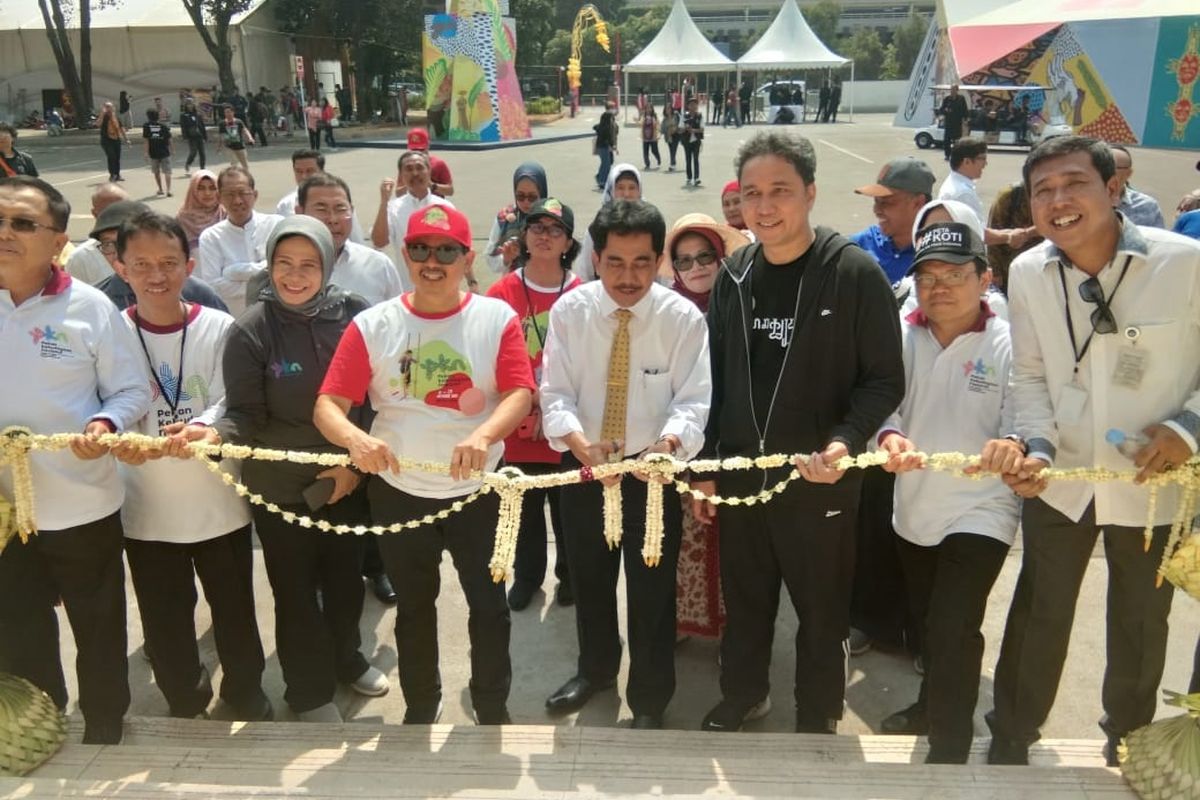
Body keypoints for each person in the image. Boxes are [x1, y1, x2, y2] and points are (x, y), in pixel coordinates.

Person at [981, 136, 1200, 767]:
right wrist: (1038, 449)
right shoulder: (1026, 271)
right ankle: (1012, 732)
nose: (1058, 200)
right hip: (1063, 472)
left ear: (1113, 190)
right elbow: (1027, 374)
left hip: (1152, 476)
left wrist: (1186, 429)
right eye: (1042, 191)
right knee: (1039, 608)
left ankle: (1125, 737)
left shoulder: (1182, 263)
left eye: (1074, 183)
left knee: (1139, 616)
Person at [693, 132, 904, 734]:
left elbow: (884, 381)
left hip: (821, 483)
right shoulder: (733, 276)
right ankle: (744, 694)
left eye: (780, 191)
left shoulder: (853, 274)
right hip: (743, 483)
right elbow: (715, 383)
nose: (765, 206)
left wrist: (845, 439)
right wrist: (709, 464)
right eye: (753, 193)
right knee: (748, 601)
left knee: (821, 611)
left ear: (810, 193)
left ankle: (819, 713)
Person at [314, 204, 536, 726]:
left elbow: (519, 393)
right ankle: (421, 703)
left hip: (477, 491)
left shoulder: (495, 318)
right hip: (398, 489)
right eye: (419, 249)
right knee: (414, 608)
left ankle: (490, 704)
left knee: (489, 606)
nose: (432, 262)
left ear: (465, 258)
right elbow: (328, 404)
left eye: (446, 251)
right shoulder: (373, 324)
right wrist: (354, 440)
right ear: (405, 253)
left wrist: (484, 434)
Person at [540, 199, 711, 729]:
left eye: (642, 262)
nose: (628, 276)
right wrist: (578, 444)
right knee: (589, 582)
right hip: (587, 468)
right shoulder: (571, 311)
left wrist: (665, 447)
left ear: (660, 260)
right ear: (595, 258)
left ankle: (651, 699)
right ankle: (594, 671)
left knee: (651, 593)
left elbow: (693, 401)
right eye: (615, 261)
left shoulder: (682, 319)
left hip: (651, 476)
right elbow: (555, 394)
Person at [218, 216, 390, 723]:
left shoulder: (355, 315)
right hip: (281, 491)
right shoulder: (250, 330)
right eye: (284, 265)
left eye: (308, 265)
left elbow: (372, 400)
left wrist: (354, 470)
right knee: (294, 592)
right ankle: (308, 691)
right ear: (269, 266)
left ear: (327, 264)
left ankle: (347, 659)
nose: (295, 277)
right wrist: (214, 437)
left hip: (347, 478)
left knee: (345, 582)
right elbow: (243, 415)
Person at [0, 175, 151, 745]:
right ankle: (39, 721)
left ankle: (106, 724)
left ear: (59, 241)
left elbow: (131, 391)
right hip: (4, 514)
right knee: (17, 625)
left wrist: (106, 423)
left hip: (80, 500)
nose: (5, 233)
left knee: (98, 623)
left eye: (22, 224)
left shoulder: (89, 307)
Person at [107, 210, 270, 722]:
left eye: (169, 263)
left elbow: (234, 399)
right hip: (143, 509)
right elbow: (98, 402)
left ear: (189, 265)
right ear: (121, 268)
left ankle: (245, 693)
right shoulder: (108, 333)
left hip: (217, 503)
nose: (156, 276)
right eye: (142, 264)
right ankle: (184, 697)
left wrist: (204, 427)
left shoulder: (221, 327)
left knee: (235, 610)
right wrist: (118, 438)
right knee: (163, 618)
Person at [875, 220, 1019, 763]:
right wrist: (888, 434)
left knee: (956, 623)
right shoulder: (900, 333)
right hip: (913, 505)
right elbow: (878, 400)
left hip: (984, 508)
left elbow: (1024, 414)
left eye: (955, 274)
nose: (939, 287)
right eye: (927, 276)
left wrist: (1012, 442)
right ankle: (929, 702)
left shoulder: (1009, 341)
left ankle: (950, 744)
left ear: (984, 278)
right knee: (928, 621)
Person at [485, 198, 582, 610]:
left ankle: (569, 578)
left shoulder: (581, 293)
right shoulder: (501, 292)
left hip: (566, 429)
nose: (544, 236)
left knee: (568, 514)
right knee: (521, 513)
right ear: (523, 235)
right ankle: (527, 578)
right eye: (536, 227)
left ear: (568, 242)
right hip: (516, 428)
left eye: (555, 229)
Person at [660, 213, 748, 639]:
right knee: (685, 540)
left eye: (705, 256)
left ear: (721, 256)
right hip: (682, 446)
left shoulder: (746, 306)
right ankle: (683, 621)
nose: (696, 268)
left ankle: (732, 632)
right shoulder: (666, 317)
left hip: (734, 446)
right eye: (685, 260)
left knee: (733, 543)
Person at [87, 200, 226, 313]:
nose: (117, 253)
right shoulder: (96, 301)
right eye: (107, 244)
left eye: (123, 243)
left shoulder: (199, 294)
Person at [293, 174, 403, 304]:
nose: (333, 220)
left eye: (340, 209)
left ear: (352, 211)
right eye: (321, 209)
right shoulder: (278, 272)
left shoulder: (378, 266)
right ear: (299, 213)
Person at [196, 166, 283, 316]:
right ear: (219, 198)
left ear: (255, 195)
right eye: (229, 194)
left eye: (243, 193)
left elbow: (284, 270)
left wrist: (233, 272)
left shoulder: (276, 225)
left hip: (278, 315)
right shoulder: (211, 237)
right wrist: (265, 278)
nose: (237, 201)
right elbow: (215, 286)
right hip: (235, 318)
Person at [371, 151, 459, 286]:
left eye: (419, 167)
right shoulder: (393, 208)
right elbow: (379, 242)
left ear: (429, 171)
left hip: (443, 287)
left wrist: (471, 280)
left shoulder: (446, 207)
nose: (415, 173)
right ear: (401, 176)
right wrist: (384, 202)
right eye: (408, 169)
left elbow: (459, 248)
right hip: (408, 288)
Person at [849, 156, 936, 285]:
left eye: (887, 202)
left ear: (918, 202)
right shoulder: (859, 245)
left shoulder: (937, 254)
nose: (877, 210)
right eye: (876, 201)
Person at [939, 137, 1038, 248]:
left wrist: (1012, 233)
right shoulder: (962, 193)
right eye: (982, 158)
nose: (985, 164)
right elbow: (976, 233)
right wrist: (1009, 237)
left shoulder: (956, 184)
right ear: (966, 161)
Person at [276, 149, 367, 245]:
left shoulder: (339, 200)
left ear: (322, 172)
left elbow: (357, 241)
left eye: (310, 171)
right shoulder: (285, 205)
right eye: (298, 171)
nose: (303, 176)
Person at [574, 163, 645, 282]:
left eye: (632, 188)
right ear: (611, 190)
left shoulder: (650, 224)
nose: (626, 194)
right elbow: (585, 271)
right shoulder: (598, 227)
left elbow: (660, 274)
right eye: (620, 188)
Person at [484, 162, 547, 275]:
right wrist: (506, 258)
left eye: (532, 197)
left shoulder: (552, 218)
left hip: (546, 283)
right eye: (520, 196)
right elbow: (490, 256)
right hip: (512, 285)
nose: (526, 202)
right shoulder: (504, 218)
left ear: (542, 194)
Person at [64, 183, 131, 285]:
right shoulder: (80, 259)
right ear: (95, 214)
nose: (116, 217)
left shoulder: (151, 247)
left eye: (121, 209)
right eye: (108, 212)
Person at [986, 181, 1043, 292]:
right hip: (1009, 270)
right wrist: (996, 272)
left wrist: (1027, 233)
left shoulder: (1054, 195)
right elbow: (993, 233)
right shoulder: (1010, 196)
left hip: (1043, 268)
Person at [1111, 145, 1166, 228]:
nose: (1105, 172)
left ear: (1128, 173)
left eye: (1112, 168)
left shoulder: (1147, 206)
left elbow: (1155, 239)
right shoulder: (1086, 202)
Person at [176, 170, 226, 254]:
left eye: (212, 188)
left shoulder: (225, 215)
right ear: (193, 191)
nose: (207, 193)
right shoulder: (182, 218)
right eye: (201, 188)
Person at [405, 128, 454, 197]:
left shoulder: (438, 164)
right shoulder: (406, 165)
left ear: (428, 146)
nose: (418, 153)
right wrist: (411, 182)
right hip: (413, 205)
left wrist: (431, 185)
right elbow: (398, 193)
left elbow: (450, 191)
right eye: (414, 150)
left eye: (421, 149)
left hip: (434, 205)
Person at [142, 108, 174, 198]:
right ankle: (168, 190)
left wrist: (145, 153)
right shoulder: (163, 126)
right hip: (164, 151)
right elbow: (169, 139)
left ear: (148, 117)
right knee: (167, 171)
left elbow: (146, 140)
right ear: (158, 116)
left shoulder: (146, 126)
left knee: (156, 172)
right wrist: (172, 149)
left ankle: (160, 189)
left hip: (153, 152)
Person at [99, 101, 130, 182]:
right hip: (106, 140)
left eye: (110, 107)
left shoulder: (116, 117)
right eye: (107, 107)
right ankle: (112, 175)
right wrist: (102, 113)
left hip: (116, 139)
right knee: (111, 157)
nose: (109, 109)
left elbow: (121, 128)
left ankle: (118, 174)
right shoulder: (104, 117)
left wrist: (126, 139)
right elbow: (98, 124)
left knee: (117, 158)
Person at [216, 106, 254, 171]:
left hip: (240, 146)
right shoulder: (222, 124)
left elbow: (245, 130)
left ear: (233, 112)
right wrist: (219, 146)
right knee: (234, 164)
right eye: (225, 112)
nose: (227, 114)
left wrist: (250, 138)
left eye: (229, 112)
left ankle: (246, 178)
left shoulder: (239, 122)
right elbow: (221, 135)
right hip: (229, 147)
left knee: (245, 165)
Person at [938, 84, 969, 161]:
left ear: (957, 90)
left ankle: (956, 155)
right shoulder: (947, 99)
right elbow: (942, 109)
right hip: (949, 122)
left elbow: (965, 109)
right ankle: (947, 155)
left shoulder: (961, 98)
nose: (952, 91)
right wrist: (945, 111)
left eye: (954, 89)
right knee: (947, 140)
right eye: (951, 89)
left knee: (957, 141)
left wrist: (966, 119)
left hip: (957, 123)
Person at [179, 97, 208, 173]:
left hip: (199, 135)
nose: (190, 105)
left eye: (191, 103)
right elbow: (183, 126)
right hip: (191, 136)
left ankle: (202, 168)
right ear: (186, 105)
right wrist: (185, 137)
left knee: (202, 152)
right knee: (193, 152)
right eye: (188, 104)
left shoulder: (197, 114)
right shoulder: (184, 115)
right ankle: (188, 163)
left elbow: (202, 125)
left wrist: (205, 136)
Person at [681, 97, 704, 188]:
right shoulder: (684, 116)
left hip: (696, 140)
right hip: (686, 140)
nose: (693, 106)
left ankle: (696, 177)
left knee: (695, 159)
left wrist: (693, 130)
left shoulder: (700, 116)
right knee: (688, 159)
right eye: (691, 105)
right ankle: (689, 177)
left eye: (695, 104)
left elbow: (702, 129)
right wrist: (684, 129)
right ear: (688, 106)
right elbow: (680, 128)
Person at [594, 105, 617, 191]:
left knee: (607, 163)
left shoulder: (603, 126)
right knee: (606, 164)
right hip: (604, 147)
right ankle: (602, 181)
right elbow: (608, 138)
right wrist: (611, 146)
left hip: (602, 147)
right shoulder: (606, 128)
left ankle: (600, 177)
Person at [661, 102, 681, 173]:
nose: (668, 110)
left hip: (676, 135)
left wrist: (674, 128)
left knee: (673, 150)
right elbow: (662, 130)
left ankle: (672, 165)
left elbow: (680, 124)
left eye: (669, 108)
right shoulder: (665, 119)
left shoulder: (675, 115)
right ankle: (673, 164)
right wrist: (668, 130)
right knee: (671, 150)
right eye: (666, 109)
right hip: (668, 136)